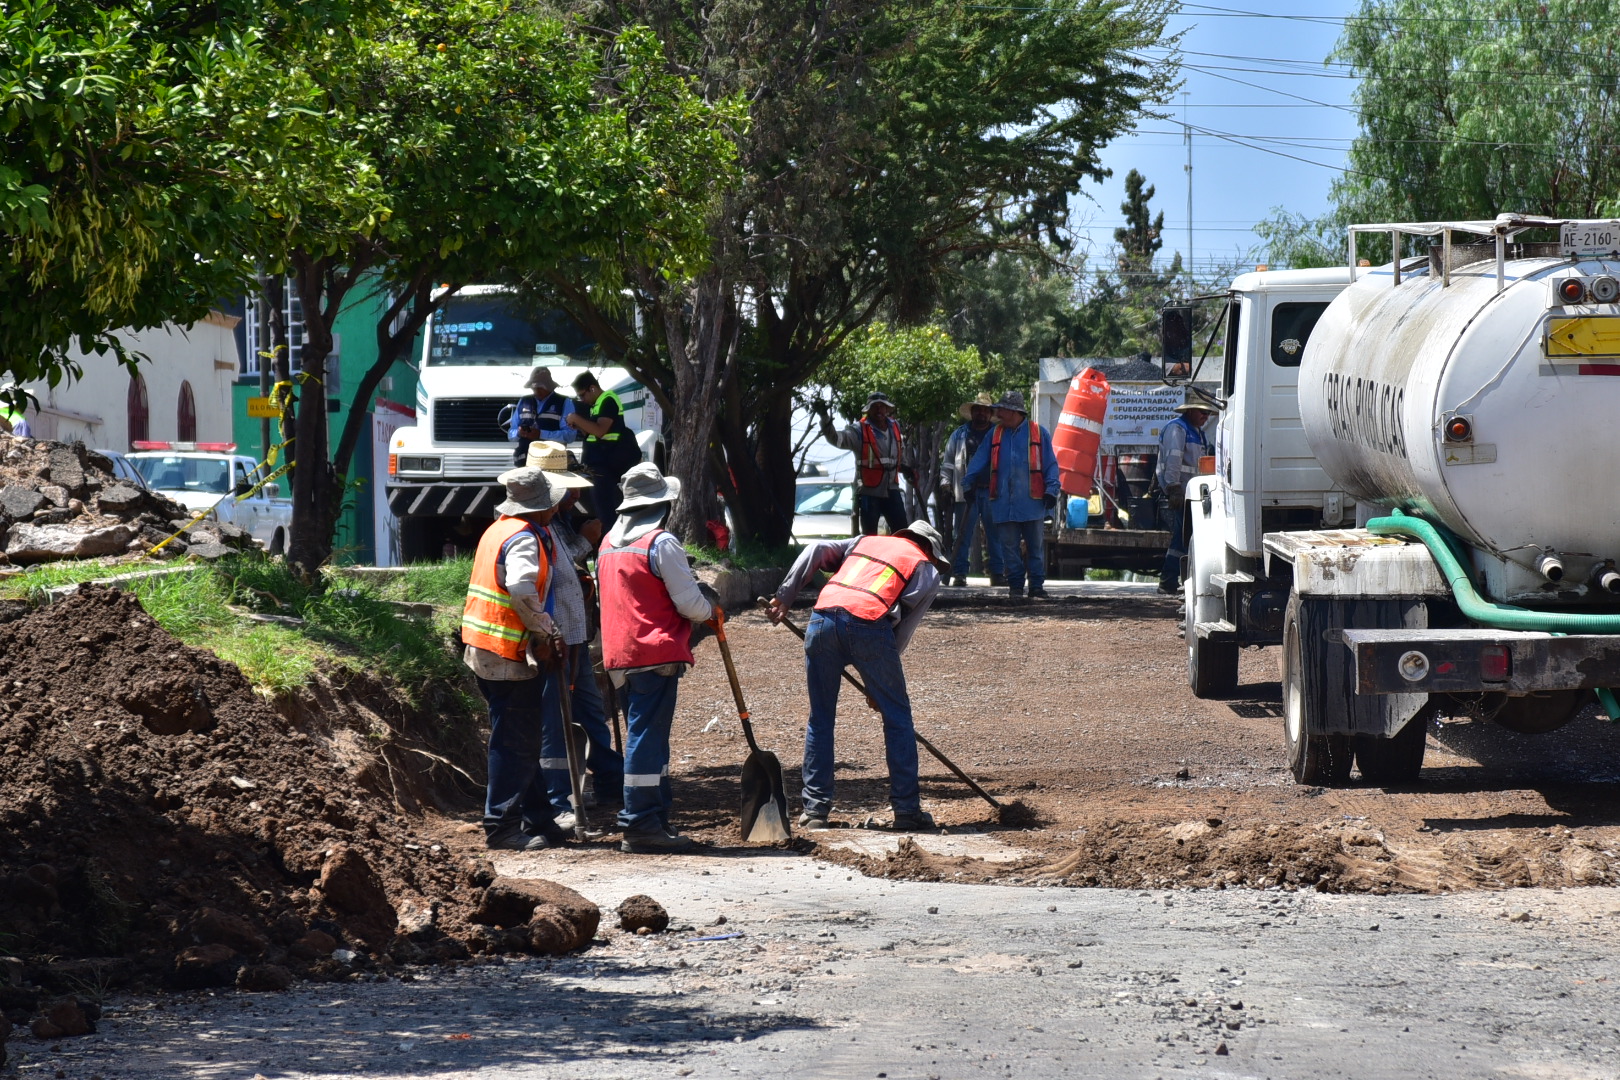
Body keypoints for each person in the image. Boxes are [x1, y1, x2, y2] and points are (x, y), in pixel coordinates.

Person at [766, 520, 949, 831]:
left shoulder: (865, 541)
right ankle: (907, 811)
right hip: (870, 626)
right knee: (897, 718)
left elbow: (816, 548)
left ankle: (815, 811)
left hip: (821, 620)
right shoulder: (925, 568)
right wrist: (879, 683)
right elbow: (904, 627)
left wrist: (785, 595)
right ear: (930, 550)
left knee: (820, 718)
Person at [596, 462, 717, 853]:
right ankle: (641, 822)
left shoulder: (607, 545)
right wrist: (710, 610)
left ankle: (657, 815)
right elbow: (690, 605)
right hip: (654, 653)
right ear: (662, 506)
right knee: (646, 739)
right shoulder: (660, 543)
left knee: (647, 737)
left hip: (620, 654)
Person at [461, 467, 570, 851]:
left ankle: (538, 817)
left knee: (520, 738)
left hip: (485, 648)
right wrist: (545, 632)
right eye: (551, 505)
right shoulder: (524, 538)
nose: (555, 510)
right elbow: (522, 588)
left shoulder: (498, 529)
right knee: (513, 743)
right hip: (509, 654)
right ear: (539, 507)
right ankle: (502, 826)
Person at [525, 441, 622, 828]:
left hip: (574, 634)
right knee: (555, 718)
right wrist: (588, 541)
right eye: (569, 488)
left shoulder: (560, 519)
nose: (576, 495)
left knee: (589, 709)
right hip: (554, 638)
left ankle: (611, 778)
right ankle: (559, 797)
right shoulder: (537, 526)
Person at [962, 390, 1060, 600]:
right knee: (1009, 548)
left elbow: (1050, 464)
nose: (997, 413)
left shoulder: (1038, 433)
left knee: (1035, 548)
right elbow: (979, 459)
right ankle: (1015, 586)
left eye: (1001, 409)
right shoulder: (995, 434)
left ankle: (1036, 586)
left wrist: (1052, 490)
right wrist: (968, 483)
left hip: (1032, 502)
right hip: (1003, 502)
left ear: (1014, 411)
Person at [823, 391, 914, 536]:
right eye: (875, 406)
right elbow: (837, 439)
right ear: (868, 409)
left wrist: (906, 469)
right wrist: (825, 419)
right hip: (870, 491)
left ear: (887, 409)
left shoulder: (895, 426)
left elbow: (898, 454)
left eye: (882, 406)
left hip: (891, 488)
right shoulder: (859, 430)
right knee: (869, 536)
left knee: (902, 533)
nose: (879, 410)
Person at [940, 391, 1004, 588]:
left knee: (995, 535)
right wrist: (945, 484)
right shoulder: (959, 435)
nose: (981, 414)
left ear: (990, 414)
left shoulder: (999, 435)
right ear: (972, 412)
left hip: (992, 492)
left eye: (985, 411)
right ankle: (959, 574)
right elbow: (948, 463)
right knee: (962, 535)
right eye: (978, 410)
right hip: (966, 493)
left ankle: (997, 573)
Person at [1156, 401, 1218, 595]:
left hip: (1192, 494)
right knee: (1181, 538)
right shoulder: (1177, 429)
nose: (1206, 417)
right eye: (1202, 412)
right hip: (1181, 492)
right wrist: (1173, 488)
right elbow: (1173, 460)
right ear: (1190, 411)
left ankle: (1174, 580)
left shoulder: (1197, 432)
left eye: (1208, 413)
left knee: (1186, 537)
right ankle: (1168, 580)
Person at [567, 371, 641, 534]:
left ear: (592, 388)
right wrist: (580, 425)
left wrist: (576, 418)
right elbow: (593, 433)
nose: (582, 400)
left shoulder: (608, 400)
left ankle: (611, 541)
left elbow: (600, 431)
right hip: (599, 464)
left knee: (606, 513)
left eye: (582, 395)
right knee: (602, 510)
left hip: (606, 465)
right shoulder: (596, 405)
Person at [508, 367, 575, 466]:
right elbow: (511, 433)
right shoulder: (523, 401)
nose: (537, 391)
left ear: (549, 387)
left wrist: (541, 434)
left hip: (552, 464)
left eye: (540, 388)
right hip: (525, 462)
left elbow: (570, 435)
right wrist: (519, 433)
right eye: (534, 388)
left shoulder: (564, 402)